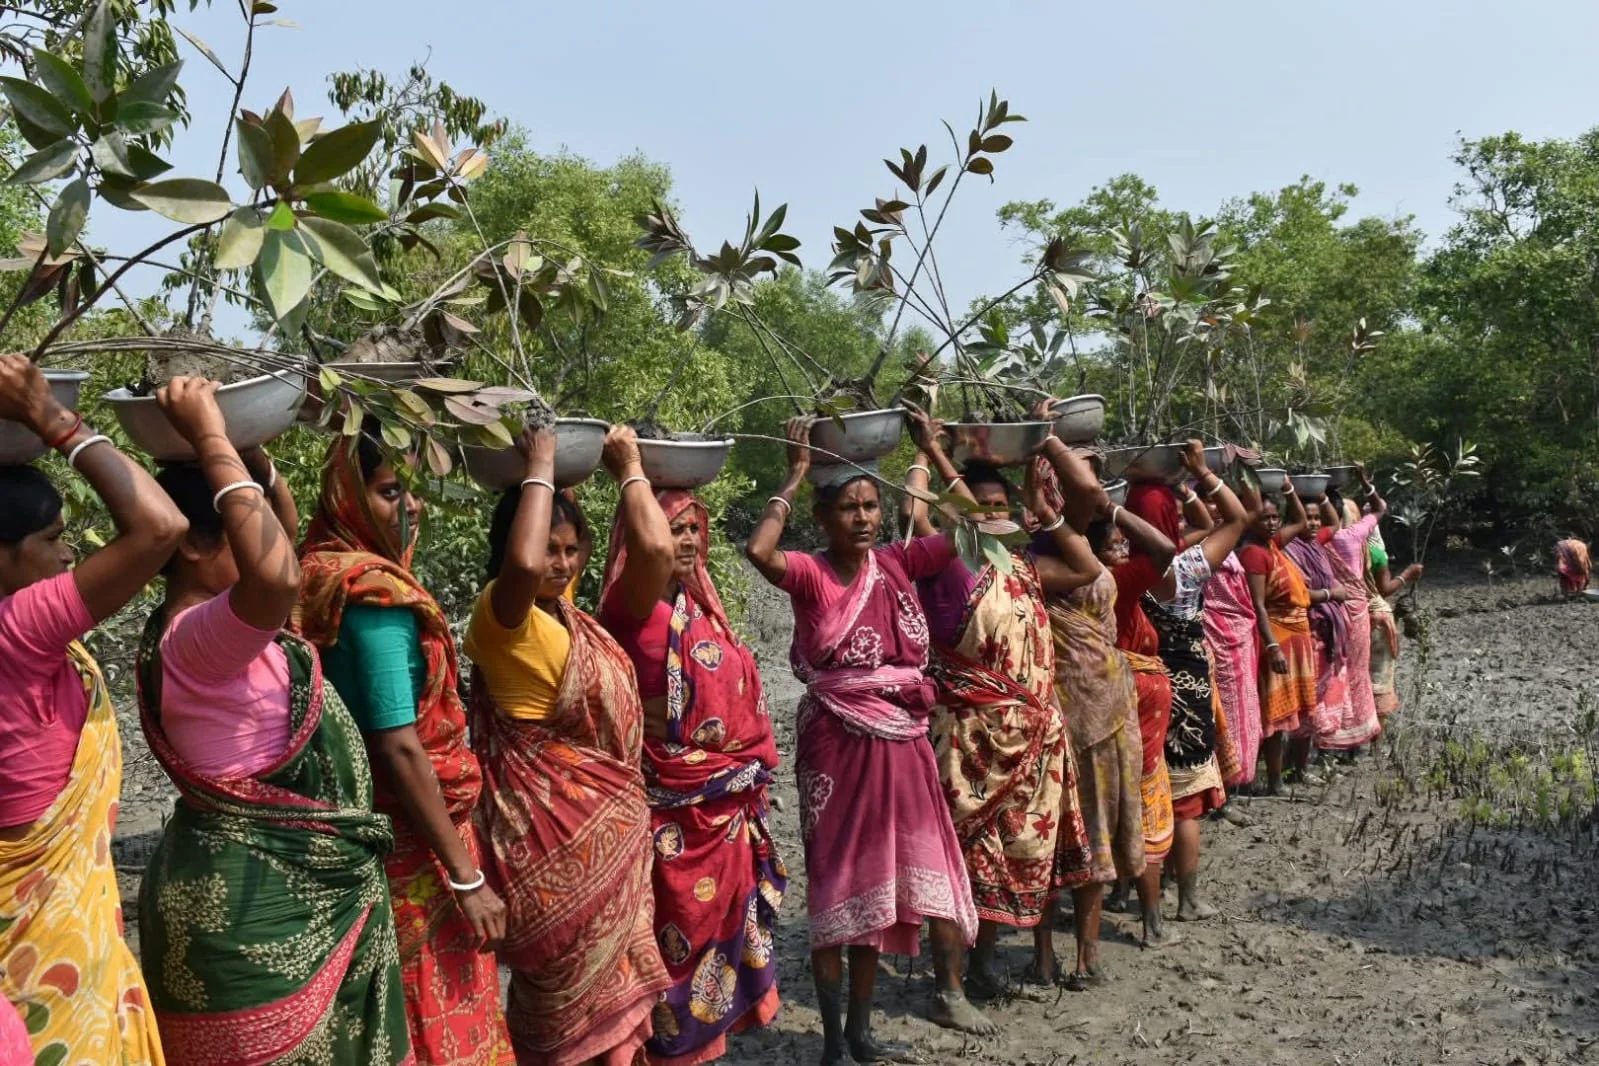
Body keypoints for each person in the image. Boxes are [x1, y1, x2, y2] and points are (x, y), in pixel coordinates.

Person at [135, 378, 410, 1064]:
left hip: (282, 895)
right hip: (251, 912)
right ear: (192, 545)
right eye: (240, 522)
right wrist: (209, 435)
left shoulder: (230, 627)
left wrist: (247, 451)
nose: (270, 542)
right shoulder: (197, 636)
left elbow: (276, 543)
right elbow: (278, 573)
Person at [746, 416, 989, 1065]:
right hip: (837, 742)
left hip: (902, 739)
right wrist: (796, 473)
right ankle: (832, 1043)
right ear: (823, 517)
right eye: (849, 508)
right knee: (839, 890)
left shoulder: (897, 563)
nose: (862, 518)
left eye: (871, 505)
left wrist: (931, 449)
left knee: (881, 893)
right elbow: (759, 552)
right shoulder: (810, 573)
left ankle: (860, 1032)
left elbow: (974, 526)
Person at [297, 427, 514, 1066]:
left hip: (347, 833)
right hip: (411, 847)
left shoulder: (315, 570)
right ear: (349, 496)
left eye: (414, 490)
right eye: (390, 491)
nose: (411, 506)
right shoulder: (377, 603)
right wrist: (467, 877)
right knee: (431, 1011)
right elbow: (399, 745)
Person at [464, 424, 671, 1065]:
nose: (560, 563)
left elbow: (654, 552)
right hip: (549, 856)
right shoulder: (502, 618)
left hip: (611, 846)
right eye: (549, 549)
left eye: (572, 550)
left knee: (618, 1019)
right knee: (561, 1013)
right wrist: (543, 463)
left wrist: (621, 465)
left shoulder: (567, 614)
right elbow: (524, 566)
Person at [0, 355, 185, 1066]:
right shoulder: (17, 634)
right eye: (51, 541)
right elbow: (160, 527)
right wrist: (52, 420)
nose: (69, 553)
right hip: (48, 971)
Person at [598, 460, 788, 1066]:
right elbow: (650, 553)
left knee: (711, 954)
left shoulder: (701, 607)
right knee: (665, 953)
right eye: (669, 527)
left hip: (722, 815)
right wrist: (630, 467)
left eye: (691, 528)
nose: (683, 540)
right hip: (666, 814)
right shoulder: (630, 607)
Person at [902, 427, 1094, 996]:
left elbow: (1086, 567)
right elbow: (915, 512)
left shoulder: (1025, 568)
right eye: (980, 506)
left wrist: (1044, 510)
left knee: (1009, 854)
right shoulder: (947, 563)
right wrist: (929, 451)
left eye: (999, 507)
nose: (990, 516)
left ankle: (984, 963)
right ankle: (952, 978)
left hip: (1033, 739)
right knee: (966, 856)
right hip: (971, 741)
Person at [1028, 439, 1159, 967]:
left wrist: (1050, 446)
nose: (1093, 487)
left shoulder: (1085, 538)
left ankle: (1086, 954)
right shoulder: (1032, 552)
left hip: (1108, 705)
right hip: (1059, 710)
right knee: (1050, 829)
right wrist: (1043, 442)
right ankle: (1043, 954)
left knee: (1097, 829)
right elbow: (1081, 488)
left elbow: (1159, 548)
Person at [1127, 442, 1249, 922]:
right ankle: (1189, 900)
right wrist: (1200, 473)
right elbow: (1236, 519)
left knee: (1143, 791)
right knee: (1186, 801)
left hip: (1139, 688)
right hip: (1189, 687)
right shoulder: (1187, 567)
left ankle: (1131, 893)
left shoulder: (1117, 568)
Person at [1237, 482, 1321, 794]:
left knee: (1291, 712)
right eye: (1265, 518)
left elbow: (1298, 520)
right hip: (1278, 637)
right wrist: (1272, 646)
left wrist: (1287, 488)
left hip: (1296, 636)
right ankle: (1274, 780)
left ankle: (1286, 772)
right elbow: (1257, 605)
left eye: (1275, 517)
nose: (1272, 523)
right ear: (1251, 520)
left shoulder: (1271, 544)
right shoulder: (1254, 554)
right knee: (1275, 714)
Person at [1316, 475, 1390, 755]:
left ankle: (1329, 736)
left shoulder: (1312, 542)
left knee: (1331, 674)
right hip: (1356, 614)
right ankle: (1356, 740)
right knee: (1358, 674)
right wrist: (1366, 484)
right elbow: (1380, 508)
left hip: (1327, 613)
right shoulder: (1354, 536)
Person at [1283, 488, 1361, 754]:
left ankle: (1301, 766)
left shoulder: (1315, 544)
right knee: (1307, 706)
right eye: (1308, 518)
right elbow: (1298, 594)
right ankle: (1293, 765)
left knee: (1319, 702)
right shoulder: (1288, 550)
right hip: (1308, 632)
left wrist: (1322, 494)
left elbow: (1334, 523)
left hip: (1325, 633)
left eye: (1316, 518)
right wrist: (1331, 594)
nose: (1315, 523)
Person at [1203, 504, 1263, 793]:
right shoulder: (1198, 547)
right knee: (1222, 714)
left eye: (1220, 505)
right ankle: (1222, 787)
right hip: (1216, 637)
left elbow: (1252, 508)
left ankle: (1239, 782)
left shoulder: (1230, 543)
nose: (1217, 509)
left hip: (1240, 637)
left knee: (1244, 710)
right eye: (1209, 503)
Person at [1367, 528, 1421, 720]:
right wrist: (1407, 574)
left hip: (1350, 619)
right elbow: (1384, 589)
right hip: (1374, 620)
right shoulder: (1374, 552)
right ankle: (1375, 732)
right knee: (1378, 682)